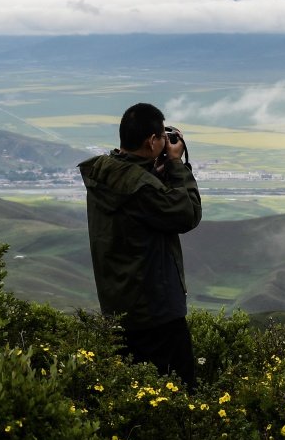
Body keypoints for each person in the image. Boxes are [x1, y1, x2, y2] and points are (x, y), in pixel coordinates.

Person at [78, 102, 202, 389]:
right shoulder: (141, 187)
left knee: (131, 390)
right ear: (152, 141)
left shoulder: (105, 173)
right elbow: (188, 213)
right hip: (156, 311)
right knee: (180, 391)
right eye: (161, 136)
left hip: (119, 305)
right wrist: (175, 165)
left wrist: (154, 171)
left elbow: (136, 209)